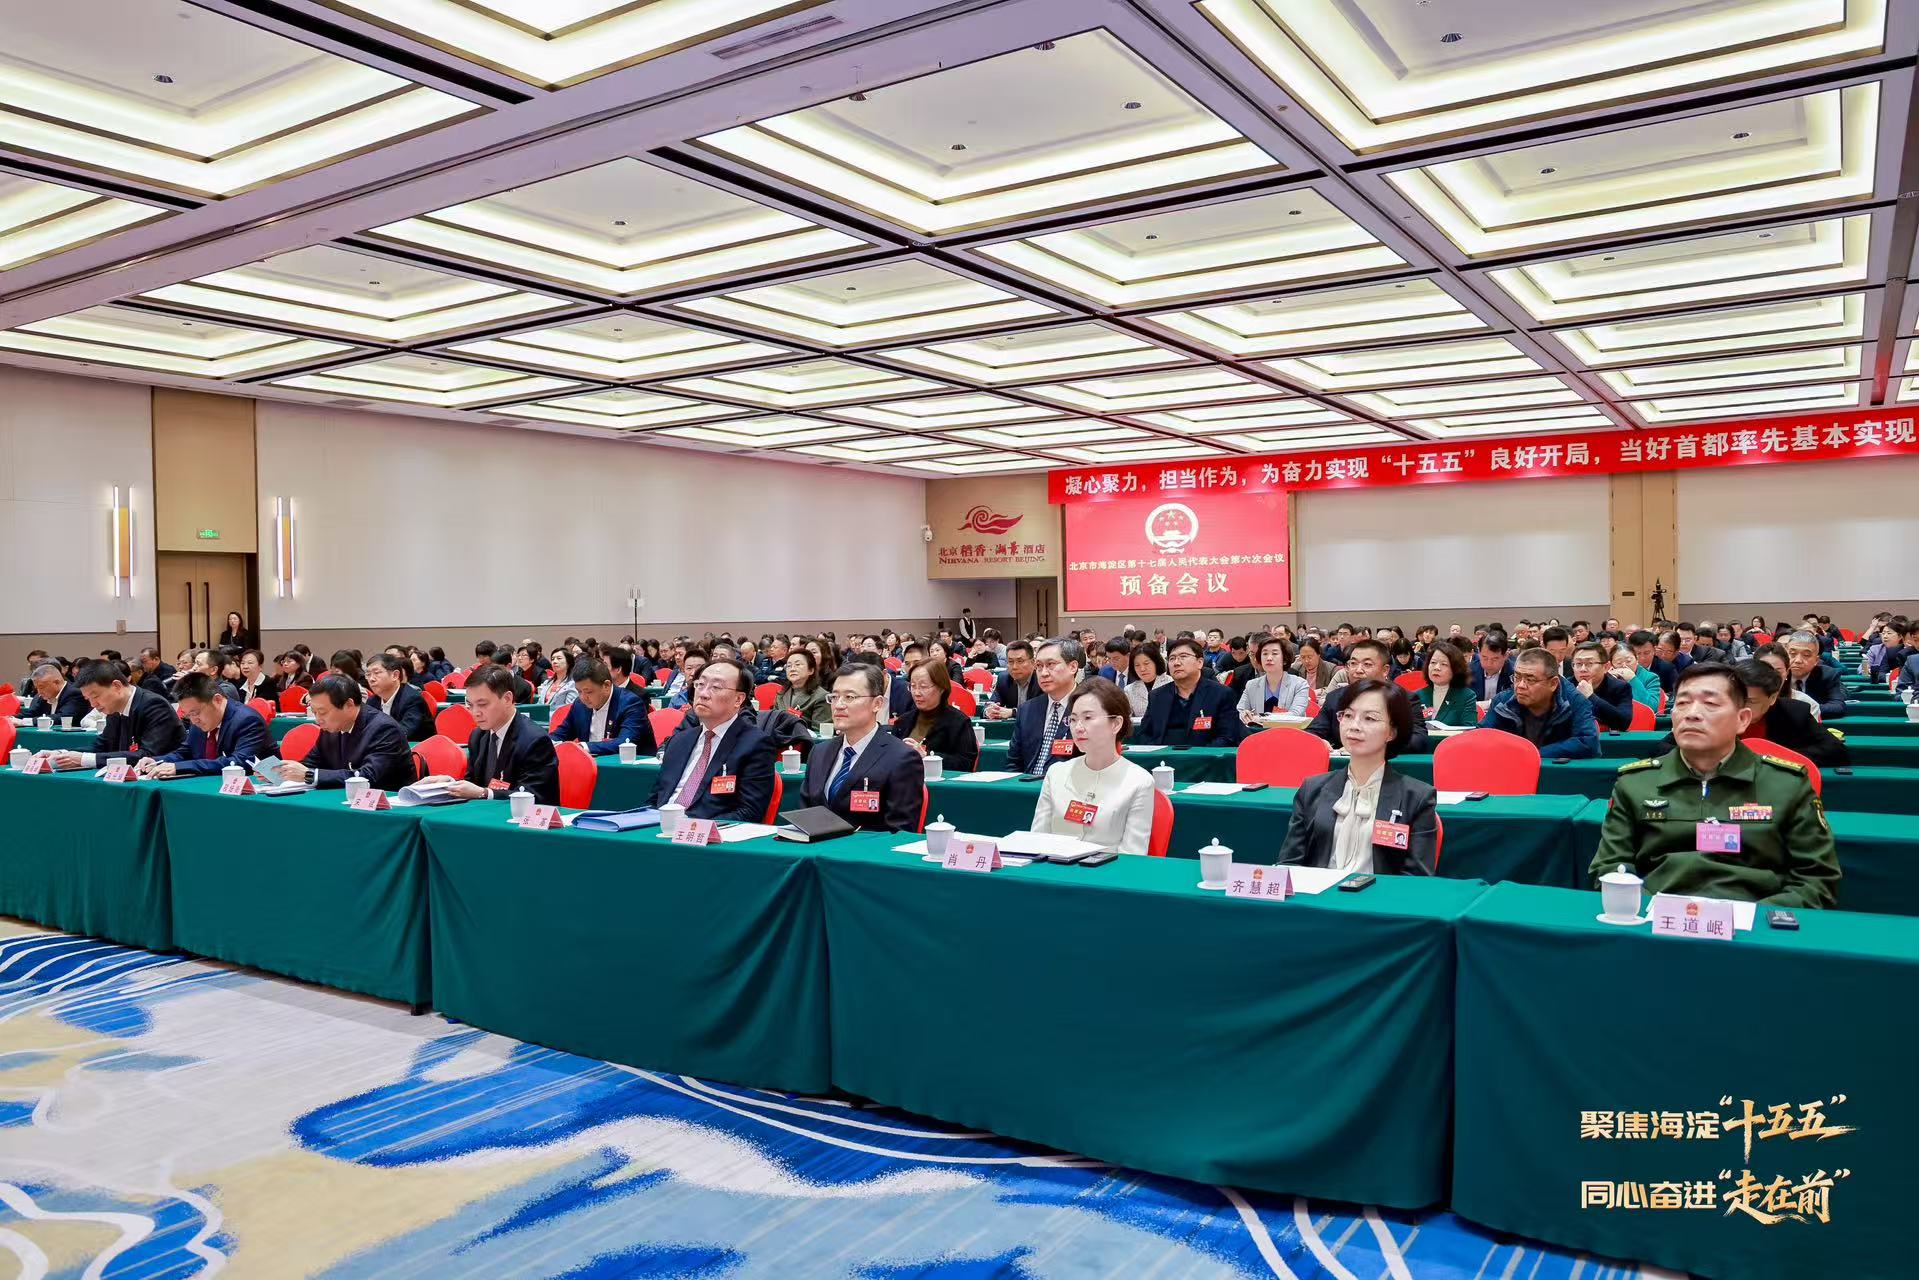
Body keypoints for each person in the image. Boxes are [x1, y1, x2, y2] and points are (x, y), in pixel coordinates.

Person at [1592, 663, 1838, 907]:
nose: (1692, 714)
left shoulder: (1787, 784)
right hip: (1657, 917)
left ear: (1742, 719)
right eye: (1682, 703)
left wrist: (1755, 917)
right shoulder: (1635, 783)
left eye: (1710, 704)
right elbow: (1611, 866)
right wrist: (1651, 909)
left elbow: (1816, 879)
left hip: (1758, 922)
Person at [1277, 679, 1437, 876]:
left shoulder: (1417, 797)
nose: (1354, 726)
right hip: (1319, 894)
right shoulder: (1312, 789)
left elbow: (1416, 879)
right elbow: (1288, 865)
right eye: (1348, 715)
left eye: (1369, 718)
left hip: (1380, 895)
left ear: (1392, 732)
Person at [1030, 678, 1156, 855]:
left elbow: (1132, 855)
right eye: (1073, 719)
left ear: (1116, 724)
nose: (1078, 728)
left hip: (1108, 871)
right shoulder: (1056, 773)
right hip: (1054, 868)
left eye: (1088, 718)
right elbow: (1037, 840)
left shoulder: (1139, 781)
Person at [802, 664, 926, 832]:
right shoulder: (819, 752)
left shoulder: (902, 758)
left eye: (849, 697)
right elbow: (805, 815)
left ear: (877, 704)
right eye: (834, 697)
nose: (839, 705)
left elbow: (900, 831)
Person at [650, 658, 775, 822]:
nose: (703, 694)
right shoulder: (679, 741)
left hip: (707, 832)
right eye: (700, 684)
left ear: (738, 699)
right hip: (661, 826)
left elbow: (749, 812)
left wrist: (690, 826)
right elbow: (654, 800)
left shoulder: (755, 744)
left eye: (716, 687)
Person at [415, 664, 556, 804]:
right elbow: (473, 784)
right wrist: (449, 783)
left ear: (507, 699)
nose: (475, 713)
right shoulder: (478, 736)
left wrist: (485, 793)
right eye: (470, 705)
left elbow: (533, 796)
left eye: (482, 704)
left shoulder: (534, 740)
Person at [278, 674, 413, 792]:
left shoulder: (384, 729)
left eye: (323, 712)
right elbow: (311, 763)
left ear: (349, 704)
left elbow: (367, 776)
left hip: (384, 803)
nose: (318, 719)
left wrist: (310, 775)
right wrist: (284, 772)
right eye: (314, 712)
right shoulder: (330, 728)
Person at [49, 660, 185, 769]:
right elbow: (102, 746)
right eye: (88, 699)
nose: (93, 704)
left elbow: (147, 755)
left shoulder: (154, 705)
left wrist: (83, 760)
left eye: (95, 696)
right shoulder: (114, 708)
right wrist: (62, 754)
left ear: (117, 686)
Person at [137, 672, 272, 778]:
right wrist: (156, 761)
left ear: (217, 700)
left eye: (195, 713)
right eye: (188, 715)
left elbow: (239, 763)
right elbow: (185, 752)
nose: (193, 720)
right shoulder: (200, 720)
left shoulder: (247, 720)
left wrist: (179, 768)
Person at [1308, 640, 1428, 756]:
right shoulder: (1335, 697)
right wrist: (1318, 742)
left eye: (1367, 664)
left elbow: (1418, 739)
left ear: (1385, 670)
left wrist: (1374, 746)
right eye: (1353, 663)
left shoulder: (1404, 699)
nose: (1358, 670)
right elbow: (1312, 732)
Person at [1477, 647, 1599, 759]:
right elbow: (1480, 737)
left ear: (1553, 683)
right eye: (1517, 678)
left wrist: (1532, 754)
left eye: (1530, 679)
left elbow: (1587, 743)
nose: (1520, 686)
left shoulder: (1575, 701)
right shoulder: (1503, 702)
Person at [1730, 658, 1849, 767]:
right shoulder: (1722, 713)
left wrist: (1777, 756)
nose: (1739, 706)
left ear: (1772, 698)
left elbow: (1836, 751)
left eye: (1750, 701)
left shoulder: (1794, 712)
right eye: (1734, 699)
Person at [1135, 637, 1246, 747]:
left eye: (1183, 657)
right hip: (1163, 757)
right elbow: (1144, 734)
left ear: (1200, 662)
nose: (1176, 663)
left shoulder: (1221, 694)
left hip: (1205, 757)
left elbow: (1227, 737)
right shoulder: (1157, 696)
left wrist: (1197, 755)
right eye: (1172, 658)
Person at [1005, 637, 1087, 773]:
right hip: (1028, 783)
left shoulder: (1090, 708)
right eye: (1039, 666)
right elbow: (1013, 763)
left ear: (1072, 667)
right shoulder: (1027, 709)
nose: (1043, 673)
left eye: (1050, 664)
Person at [550, 656, 656, 757]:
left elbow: (625, 742)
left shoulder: (630, 703)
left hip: (631, 766)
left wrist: (583, 747)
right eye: (579, 691)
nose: (583, 697)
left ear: (606, 685)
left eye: (588, 692)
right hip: (591, 765)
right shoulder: (579, 705)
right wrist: (548, 742)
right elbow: (560, 734)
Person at [888, 658, 980, 771]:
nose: (916, 693)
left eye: (923, 687)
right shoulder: (903, 721)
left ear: (941, 687)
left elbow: (966, 763)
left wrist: (927, 756)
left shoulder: (959, 722)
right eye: (913, 686)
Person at [1237, 635, 1310, 719]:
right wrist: (1244, 714)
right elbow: (1240, 711)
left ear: (1285, 659)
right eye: (1265, 654)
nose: (1269, 658)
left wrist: (1262, 718)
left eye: (1274, 653)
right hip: (1256, 727)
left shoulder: (1299, 684)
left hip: (1287, 728)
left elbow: (1296, 714)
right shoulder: (1251, 685)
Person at [365, 653, 434, 741]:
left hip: (416, 747)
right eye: (368, 674)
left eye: (376, 673)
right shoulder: (372, 701)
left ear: (395, 675)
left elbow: (403, 732)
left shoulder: (412, 699)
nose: (371, 679)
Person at [1570, 641, 1635, 733]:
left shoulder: (1620, 687)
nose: (1583, 669)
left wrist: (1591, 697)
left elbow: (1623, 723)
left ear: (1606, 667)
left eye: (1589, 663)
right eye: (1578, 664)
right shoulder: (1566, 686)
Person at [1783, 632, 1848, 719]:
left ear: (1816, 661)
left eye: (1806, 655)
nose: (1798, 660)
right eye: (1792, 653)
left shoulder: (1827, 675)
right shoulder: (1775, 674)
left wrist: (1802, 709)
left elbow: (1838, 706)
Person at [1415, 641, 1479, 727]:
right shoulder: (1417, 696)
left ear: (1455, 669)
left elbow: (1469, 730)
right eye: (1433, 662)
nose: (1437, 668)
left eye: (1444, 664)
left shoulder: (1467, 697)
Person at [774, 648, 833, 732]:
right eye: (789, 666)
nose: (792, 669)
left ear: (811, 670)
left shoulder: (821, 697)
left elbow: (821, 733)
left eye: (797, 664)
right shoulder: (781, 694)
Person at [18, 661, 88, 725]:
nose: (39, 692)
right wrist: (12, 718)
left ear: (56, 682)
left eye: (41, 687)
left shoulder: (75, 693)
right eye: (37, 688)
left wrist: (23, 722)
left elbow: (62, 717)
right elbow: (31, 713)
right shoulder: (44, 696)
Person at [985, 640, 1040, 719]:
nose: (1014, 667)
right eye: (1010, 661)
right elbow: (991, 703)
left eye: (1020, 661)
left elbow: (1041, 710)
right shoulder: (1004, 679)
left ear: (1033, 662)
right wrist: (989, 711)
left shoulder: (1041, 680)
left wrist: (1013, 712)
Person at [1123, 643, 1171, 717]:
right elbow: (1126, 717)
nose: (1142, 669)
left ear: (1156, 662)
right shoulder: (1129, 690)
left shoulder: (1171, 683)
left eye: (1146, 663)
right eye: (1137, 665)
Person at [1631, 629, 1678, 696]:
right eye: (1637, 654)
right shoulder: (1626, 666)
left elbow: (1676, 692)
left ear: (1654, 650)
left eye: (1646, 653)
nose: (1642, 657)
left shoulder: (1667, 668)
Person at [1469, 631, 1512, 700]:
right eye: (1485, 657)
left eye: (1495, 659)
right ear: (1479, 653)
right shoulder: (1468, 672)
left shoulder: (1515, 674)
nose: (1489, 664)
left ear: (1505, 656)